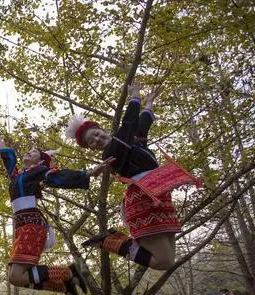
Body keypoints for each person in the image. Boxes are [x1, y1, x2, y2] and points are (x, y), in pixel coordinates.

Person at [0, 122, 114, 295]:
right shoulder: (16, 176)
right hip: (23, 226)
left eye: (33, 152)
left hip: (32, 226)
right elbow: (6, 156)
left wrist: (88, 173)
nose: (27, 153)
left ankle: (68, 274)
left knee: (16, 276)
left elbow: (58, 176)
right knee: (15, 278)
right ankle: (64, 286)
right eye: (27, 151)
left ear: (39, 161)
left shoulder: (39, 172)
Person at [66, 84, 184, 270]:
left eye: (96, 134)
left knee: (169, 258)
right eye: (91, 141)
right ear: (92, 148)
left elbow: (142, 124)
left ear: (103, 130)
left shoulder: (130, 141)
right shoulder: (111, 153)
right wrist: (135, 96)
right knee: (165, 262)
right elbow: (129, 124)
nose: (96, 139)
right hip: (143, 198)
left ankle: (113, 241)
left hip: (159, 194)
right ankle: (111, 241)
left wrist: (150, 103)